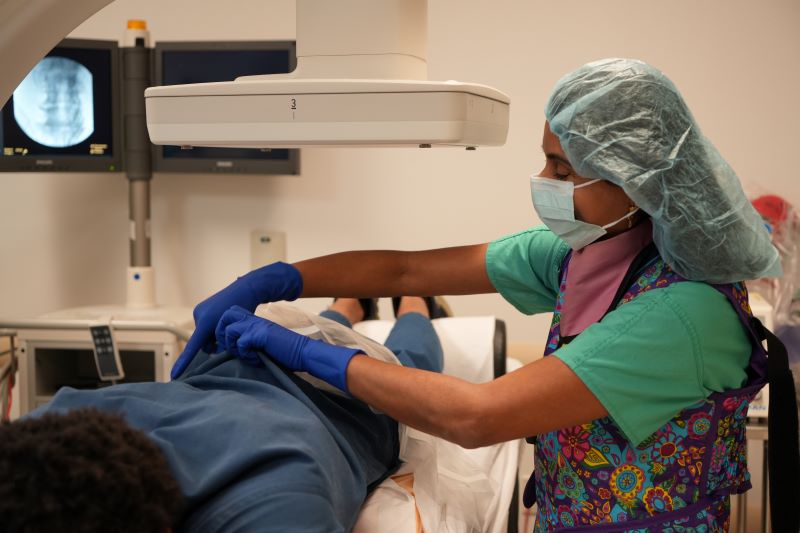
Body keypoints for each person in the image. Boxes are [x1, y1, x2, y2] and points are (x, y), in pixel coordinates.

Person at [175, 58, 799, 531]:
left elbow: (477, 417)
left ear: (635, 182)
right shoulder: (588, 249)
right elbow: (403, 274)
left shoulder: (679, 312)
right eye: (545, 160)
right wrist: (282, 278)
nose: (543, 181)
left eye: (564, 169)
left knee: (409, 347)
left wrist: (306, 352)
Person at [0, 297, 445, 532]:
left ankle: (414, 303)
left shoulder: (271, 506)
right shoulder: (48, 430)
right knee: (318, 330)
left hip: (341, 410)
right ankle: (349, 304)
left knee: (407, 365)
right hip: (236, 369)